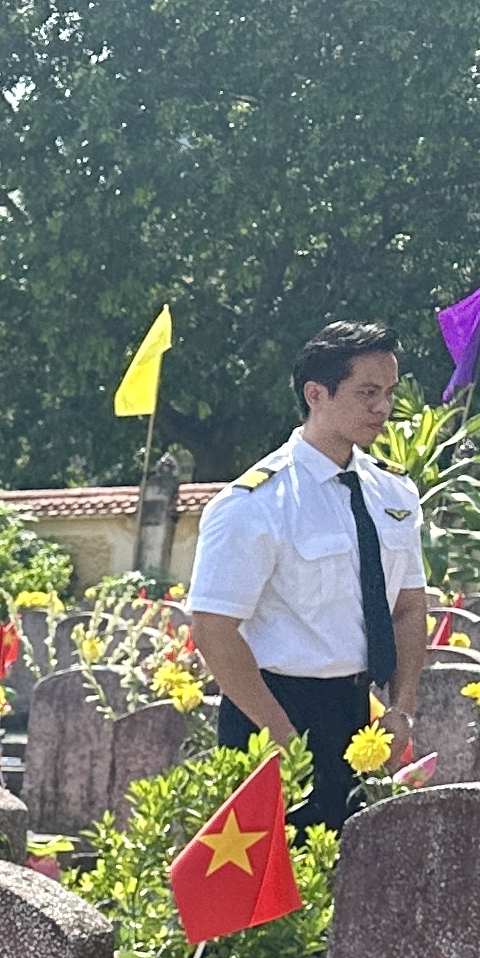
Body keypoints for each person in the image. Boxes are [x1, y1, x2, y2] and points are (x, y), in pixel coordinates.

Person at [184, 319, 428, 832]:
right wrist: (282, 737)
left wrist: (402, 708)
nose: (382, 408)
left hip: (362, 712)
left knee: (355, 883)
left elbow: (407, 607)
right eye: (366, 392)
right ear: (316, 394)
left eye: (388, 392)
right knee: (274, 893)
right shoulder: (255, 503)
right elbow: (213, 628)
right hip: (274, 707)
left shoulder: (394, 493)